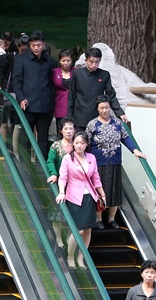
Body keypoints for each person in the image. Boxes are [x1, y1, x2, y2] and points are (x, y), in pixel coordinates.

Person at [86, 95, 146, 229]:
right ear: (97, 109)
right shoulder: (92, 124)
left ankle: (112, 219)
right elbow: (87, 143)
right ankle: (98, 219)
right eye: (101, 108)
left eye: (106, 107)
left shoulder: (117, 123)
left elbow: (125, 138)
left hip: (115, 162)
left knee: (114, 190)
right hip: (98, 163)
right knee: (99, 190)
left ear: (110, 108)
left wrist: (134, 150)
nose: (104, 110)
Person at [56, 131, 105, 269]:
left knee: (88, 229)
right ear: (73, 144)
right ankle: (70, 255)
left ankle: (81, 257)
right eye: (76, 143)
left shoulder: (91, 157)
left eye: (82, 143)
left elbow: (95, 177)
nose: (79, 146)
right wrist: (61, 192)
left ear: (86, 144)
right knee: (78, 230)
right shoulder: (67, 158)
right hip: (74, 197)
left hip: (89, 196)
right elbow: (63, 177)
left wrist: (102, 194)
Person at [12, 30, 56, 157]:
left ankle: (42, 169)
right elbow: (16, 80)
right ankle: (25, 166)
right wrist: (21, 98)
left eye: (38, 45)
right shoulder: (21, 59)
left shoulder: (50, 61)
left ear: (44, 45)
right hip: (27, 105)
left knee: (43, 139)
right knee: (26, 138)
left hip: (45, 105)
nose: (36, 48)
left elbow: (51, 82)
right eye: (33, 45)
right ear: (29, 45)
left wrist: (51, 101)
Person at [67, 47, 127, 131]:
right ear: (86, 60)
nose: (94, 65)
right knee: (80, 142)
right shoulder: (77, 73)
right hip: (79, 117)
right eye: (91, 61)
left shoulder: (104, 74)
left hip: (97, 116)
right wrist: (69, 116)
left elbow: (111, 94)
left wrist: (120, 113)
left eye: (97, 62)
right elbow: (71, 96)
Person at [46, 117, 76, 247]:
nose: (69, 131)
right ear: (61, 131)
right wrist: (54, 174)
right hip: (60, 183)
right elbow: (50, 161)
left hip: (75, 184)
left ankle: (71, 239)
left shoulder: (78, 144)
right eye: (66, 129)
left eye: (71, 128)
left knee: (73, 214)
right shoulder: (56, 145)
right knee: (57, 212)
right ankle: (58, 238)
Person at [52, 50, 74, 134]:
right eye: (63, 61)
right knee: (61, 128)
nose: (66, 63)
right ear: (59, 61)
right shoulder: (54, 72)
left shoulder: (76, 72)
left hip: (73, 104)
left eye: (68, 61)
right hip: (59, 103)